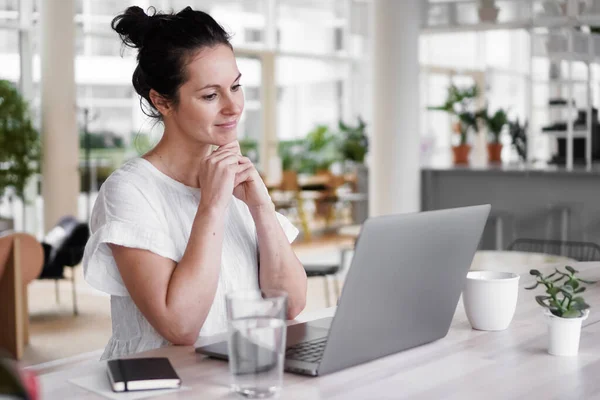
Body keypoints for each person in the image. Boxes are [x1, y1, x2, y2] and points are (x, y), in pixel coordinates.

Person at [82, 6, 307, 360]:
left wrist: (262, 209)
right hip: (166, 386)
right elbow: (181, 326)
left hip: (243, 373)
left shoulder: (237, 180)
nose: (233, 106)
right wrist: (212, 206)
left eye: (236, 86)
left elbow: (290, 304)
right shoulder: (129, 191)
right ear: (161, 101)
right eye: (210, 95)